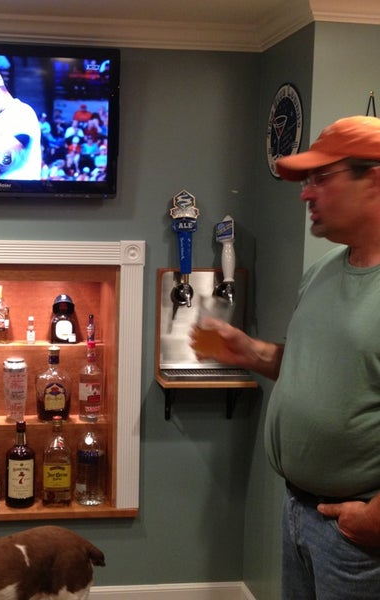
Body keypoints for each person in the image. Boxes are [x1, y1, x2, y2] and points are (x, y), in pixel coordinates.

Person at [191, 115, 380, 599]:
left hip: (359, 535)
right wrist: (252, 352)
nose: (305, 194)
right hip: (299, 512)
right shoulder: (323, 271)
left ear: (374, 180)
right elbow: (323, 369)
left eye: (321, 178)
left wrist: (374, 519)